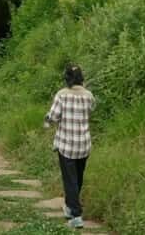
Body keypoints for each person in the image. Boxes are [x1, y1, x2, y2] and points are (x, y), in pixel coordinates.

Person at [44, 63, 96, 230]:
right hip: (84, 144)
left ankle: (76, 215)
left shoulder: (62, 94)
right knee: (77, 178)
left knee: (70, 180)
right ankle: (69, 207)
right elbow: (91, 110)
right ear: (81, 78)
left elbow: (53, 116)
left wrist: (47, 119)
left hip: (67, 145)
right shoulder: (89, 95)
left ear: (67, 79)